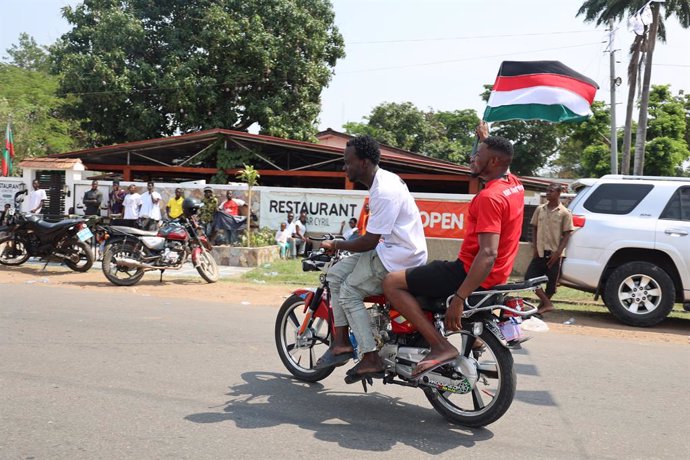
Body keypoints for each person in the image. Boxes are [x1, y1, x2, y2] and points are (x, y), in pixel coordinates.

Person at [383, 122, 524, 377]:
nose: (472, 158)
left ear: (492, 161)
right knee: (430, 270)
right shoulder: (514, 184)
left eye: (477, 155)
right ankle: (472, 339)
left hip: (470, 272)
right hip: (498, 275)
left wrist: (459, 299)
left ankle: (439, 345)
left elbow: (488, 253)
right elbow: (503, 159)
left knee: (392, 283)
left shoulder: (489, 198)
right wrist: (485, 138)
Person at [315, 135, 428, 384]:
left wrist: (336, 244)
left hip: (398, 258)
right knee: (334, 276)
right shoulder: (381, 181)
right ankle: (342, 343)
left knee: (348, 292)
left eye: (348, 162)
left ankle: (369, 356)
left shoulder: (384, 190)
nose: (345, 167)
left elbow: (368, 242)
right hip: (390, 250)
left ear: (364, 163)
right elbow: (370, 238)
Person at [525, 183, 574, 315]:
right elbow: (534, 227)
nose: (547, 193)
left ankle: (541, 309)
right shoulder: (540, 209)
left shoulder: (564, 213)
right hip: (540, 253)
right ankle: (547, 304)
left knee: (551, 286)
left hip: (554, 255)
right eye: (547, 191)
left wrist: (558, 253)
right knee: (529, 279)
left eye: (551, 191)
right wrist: (535, 247)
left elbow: (568, 233)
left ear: (558, 193)